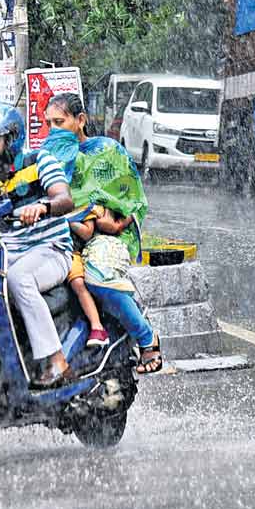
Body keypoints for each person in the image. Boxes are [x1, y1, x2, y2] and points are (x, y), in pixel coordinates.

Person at [42, 93, 163, 374]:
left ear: (80, 120)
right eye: (49, 124)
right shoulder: (47, 158)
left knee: (97, 279)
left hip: (106, 238)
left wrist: (102, 215)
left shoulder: (107, 152)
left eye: (60, 122)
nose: (54, 130)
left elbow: (128, 201)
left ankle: (147, 337)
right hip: (58, 235)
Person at [0, 102, 76, 387]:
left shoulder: (38, 161)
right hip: (7, 254)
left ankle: (57, 361)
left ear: (11, 139)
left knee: (19, 278)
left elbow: (64, 198)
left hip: (51, 250)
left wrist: (42, 206)